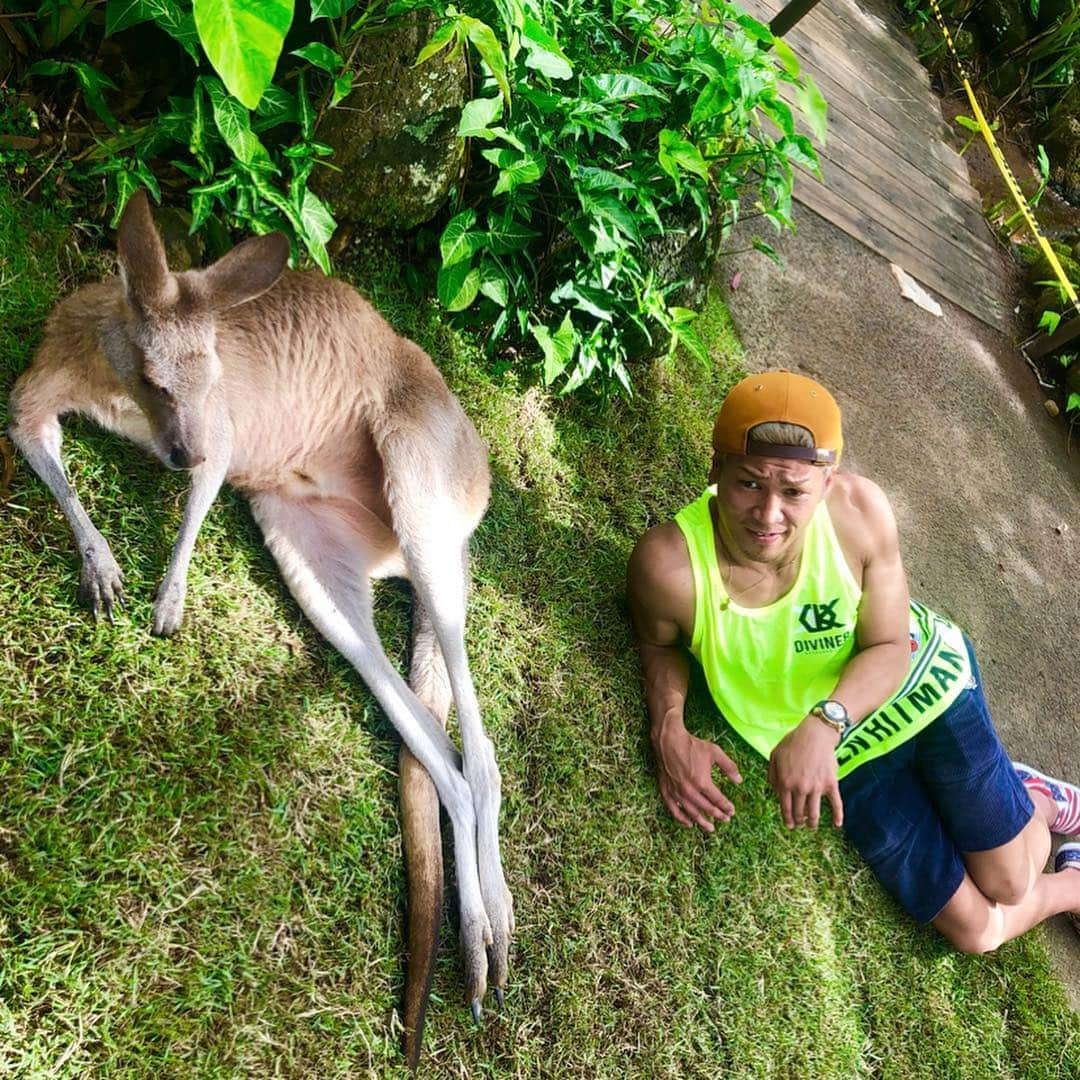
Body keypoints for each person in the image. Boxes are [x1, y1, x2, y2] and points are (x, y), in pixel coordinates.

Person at [626, 370, 1080, 951]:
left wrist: (823, 722)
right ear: (716, 470)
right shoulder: (669, 567)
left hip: (923, 685)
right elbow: (659, 645)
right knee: (979, 932)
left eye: (793, 491)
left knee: (1012, 882)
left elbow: (889, 646)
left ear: (827, 482)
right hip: (852, 753)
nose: (768, 515)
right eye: (748, 484)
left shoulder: (860, 514)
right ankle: (1069, 878)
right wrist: (670, 728)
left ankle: (1037, 797)